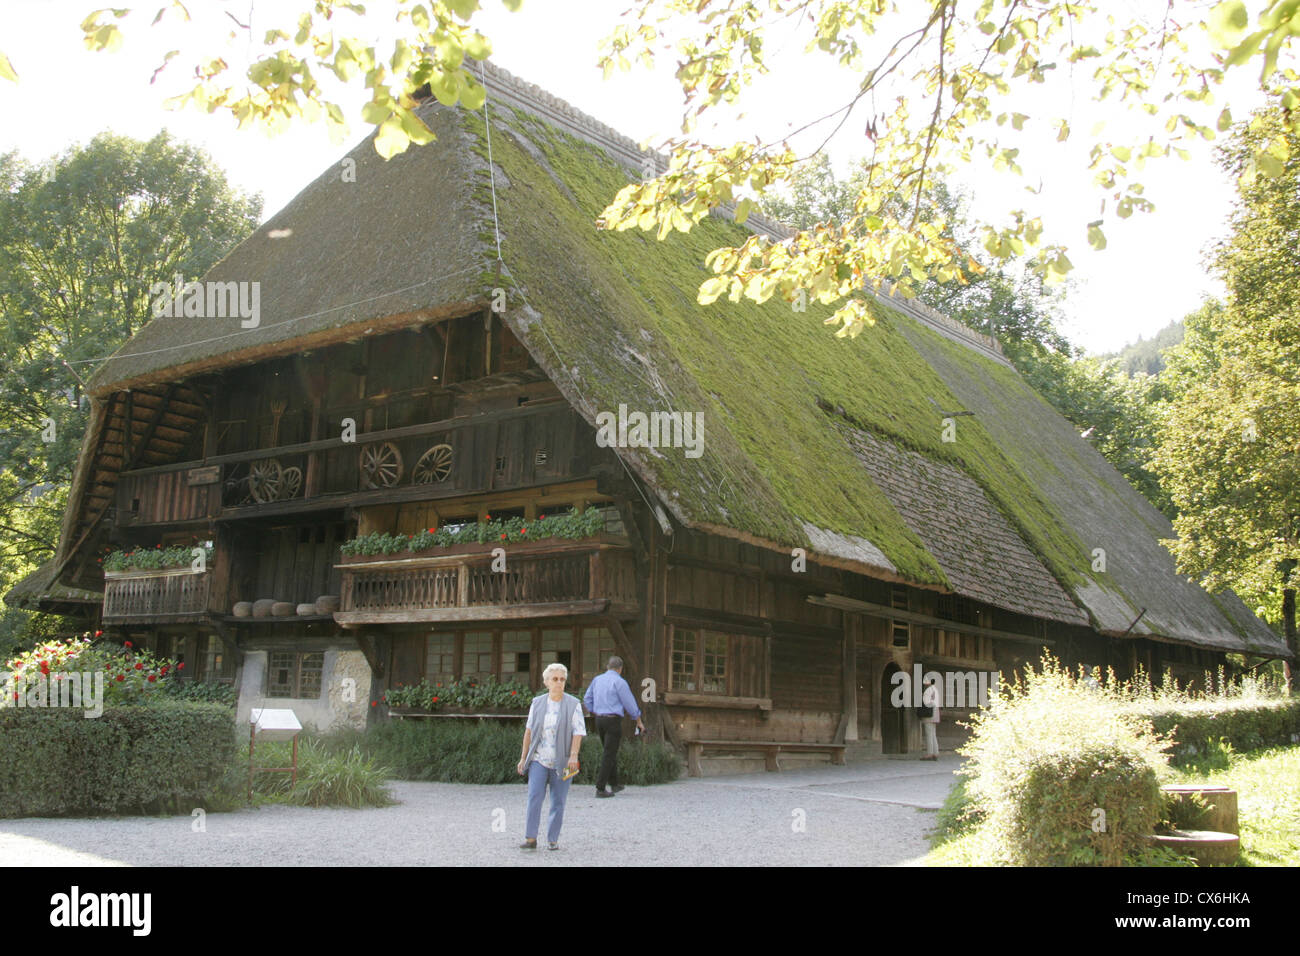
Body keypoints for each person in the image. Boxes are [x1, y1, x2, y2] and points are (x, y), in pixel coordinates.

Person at [517, 662, 587, 850]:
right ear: (546, 682)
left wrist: (574, 756)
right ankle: (531, 838)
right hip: (539, 759)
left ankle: (553, 839)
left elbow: (578, 732)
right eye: (555, 679)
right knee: (534, 797)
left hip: (565, 760)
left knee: (559, 800)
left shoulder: (574, 704)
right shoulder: (537, 703)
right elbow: (529, 732)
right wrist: (524, 758)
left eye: (562, 679)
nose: (559, 682)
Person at [582, 655, 645, 797]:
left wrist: (595, 710)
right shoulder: (619, 682)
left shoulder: (597, 680)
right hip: (612, 720)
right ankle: (600, 787)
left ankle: (615, 783)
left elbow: (587, 698)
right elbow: (629, 703)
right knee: (609, 753)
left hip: (599, 719)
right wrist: (638, 720)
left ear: (607, 667)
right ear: (620, 669)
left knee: (609, 749)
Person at [920, 676, 941, 761]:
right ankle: (935, 753)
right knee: (933, 734)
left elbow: (926, 702)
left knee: (929, 733)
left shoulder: (928, 690)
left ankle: (929, 753)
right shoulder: (935, 689)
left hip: (929, 713)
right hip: (935, 712)